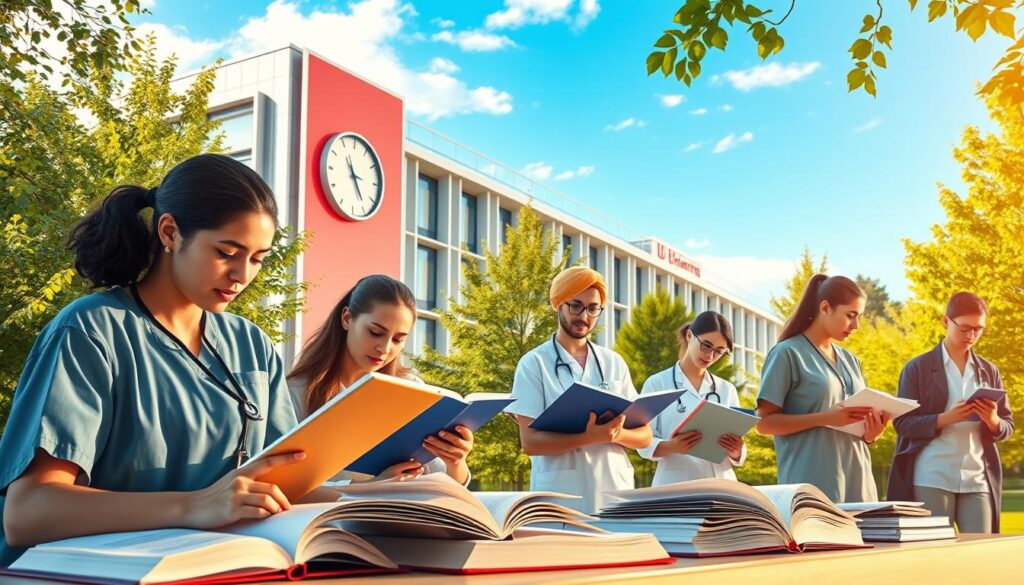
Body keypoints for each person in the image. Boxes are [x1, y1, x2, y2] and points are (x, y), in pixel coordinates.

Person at [0, 154, 304, 566]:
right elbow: (29, 512)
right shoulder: (90, 330)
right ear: (170, 232)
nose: (242, 275)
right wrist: (194, 507)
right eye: (226, 252)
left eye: (257, 259)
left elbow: (286, 477)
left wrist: (375, 493)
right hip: (94, 573)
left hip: (217, 570)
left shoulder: (252, 344)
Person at [287, 274, 473, 485]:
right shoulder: (296, 393)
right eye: (375, 333)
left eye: (398, 339)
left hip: (409, 514)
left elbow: (443, 481)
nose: (384, 349)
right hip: (334, 516)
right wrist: (369, 487)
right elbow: (287, 486)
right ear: (347, 319)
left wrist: (456, 462)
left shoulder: (411, 389)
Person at [507, 266, 651, 514]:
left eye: (593, 308)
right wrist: (590, 437)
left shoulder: (613, 362)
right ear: (558, 304)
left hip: (613, 491)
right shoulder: (534, 363)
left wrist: (615, 435)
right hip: (560, 497)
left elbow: (645, 435)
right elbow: (530, 443)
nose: (584, 315)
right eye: (575, 305)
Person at [755, 274, 888, 503]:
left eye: (859, 317)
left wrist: (871, 435)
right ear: (825, 308)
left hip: (859, 485)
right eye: (850, 315)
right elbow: (764, 424)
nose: (856, 326)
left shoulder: (851, 360)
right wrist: (824, 418)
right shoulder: (787, 353)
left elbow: (853, 422)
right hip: (812, 487)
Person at [889, 291, 1014, 533]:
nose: (972, 335)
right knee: (933, 557)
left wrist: (993, 420)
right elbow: (902, 423)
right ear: (945, 321)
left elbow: (1007, 426)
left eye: (978, 329)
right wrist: (944, 419)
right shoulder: (917, 368)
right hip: (931, 475)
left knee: (978, 556)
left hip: (977, 477)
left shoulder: (989, 371)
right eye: (965, 328)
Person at [637, 311, 747, 485]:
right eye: (706, 345)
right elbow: (641, 440)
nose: (710, 356)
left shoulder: (726, 389)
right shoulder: (657, 383)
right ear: (689, 335)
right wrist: (671, 447)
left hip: (721, 485)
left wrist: (737, 451)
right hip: (675, 484)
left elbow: (738, 450)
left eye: (719, 351)